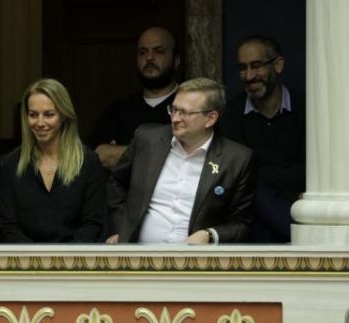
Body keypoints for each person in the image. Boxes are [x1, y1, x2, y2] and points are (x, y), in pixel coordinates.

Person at [107, 78, 256, 244]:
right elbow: (116, 182)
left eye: (184, 113)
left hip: (196, 258)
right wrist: (122, 229)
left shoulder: (236, 159)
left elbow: (241, 223)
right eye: (173, 109)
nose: (175, 119)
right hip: (139, 254)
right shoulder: (147, 139)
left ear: (211, 118)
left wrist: (209, 235)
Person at [0, 78, 106, 242]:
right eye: (33, 115)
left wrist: (64, 256)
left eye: (49, 114)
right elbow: (7, 225)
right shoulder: (10, 164)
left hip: (75, 255)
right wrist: (33, 256)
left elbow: (93, 223)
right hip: (25, 256)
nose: (40, 123)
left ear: (64, 115)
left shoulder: (89, 162)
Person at [219, 35, 305, 243]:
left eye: (256, 66)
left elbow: (314, 168)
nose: (249, 76)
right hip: (256, 204)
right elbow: (240, 174)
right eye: (243, 68)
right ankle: (299, 239)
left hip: (301, 200)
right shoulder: (232, 114)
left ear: (278, 65)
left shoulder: (307, 108)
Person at [89, 26, 180, 168]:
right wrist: (163, 153)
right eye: (142, 52)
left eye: (159, 51)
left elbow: (189, 158)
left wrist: (120, 153)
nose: (149, 57)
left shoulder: (190, 108)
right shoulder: (117, 110)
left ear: (176, 60)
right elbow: (98, 156)